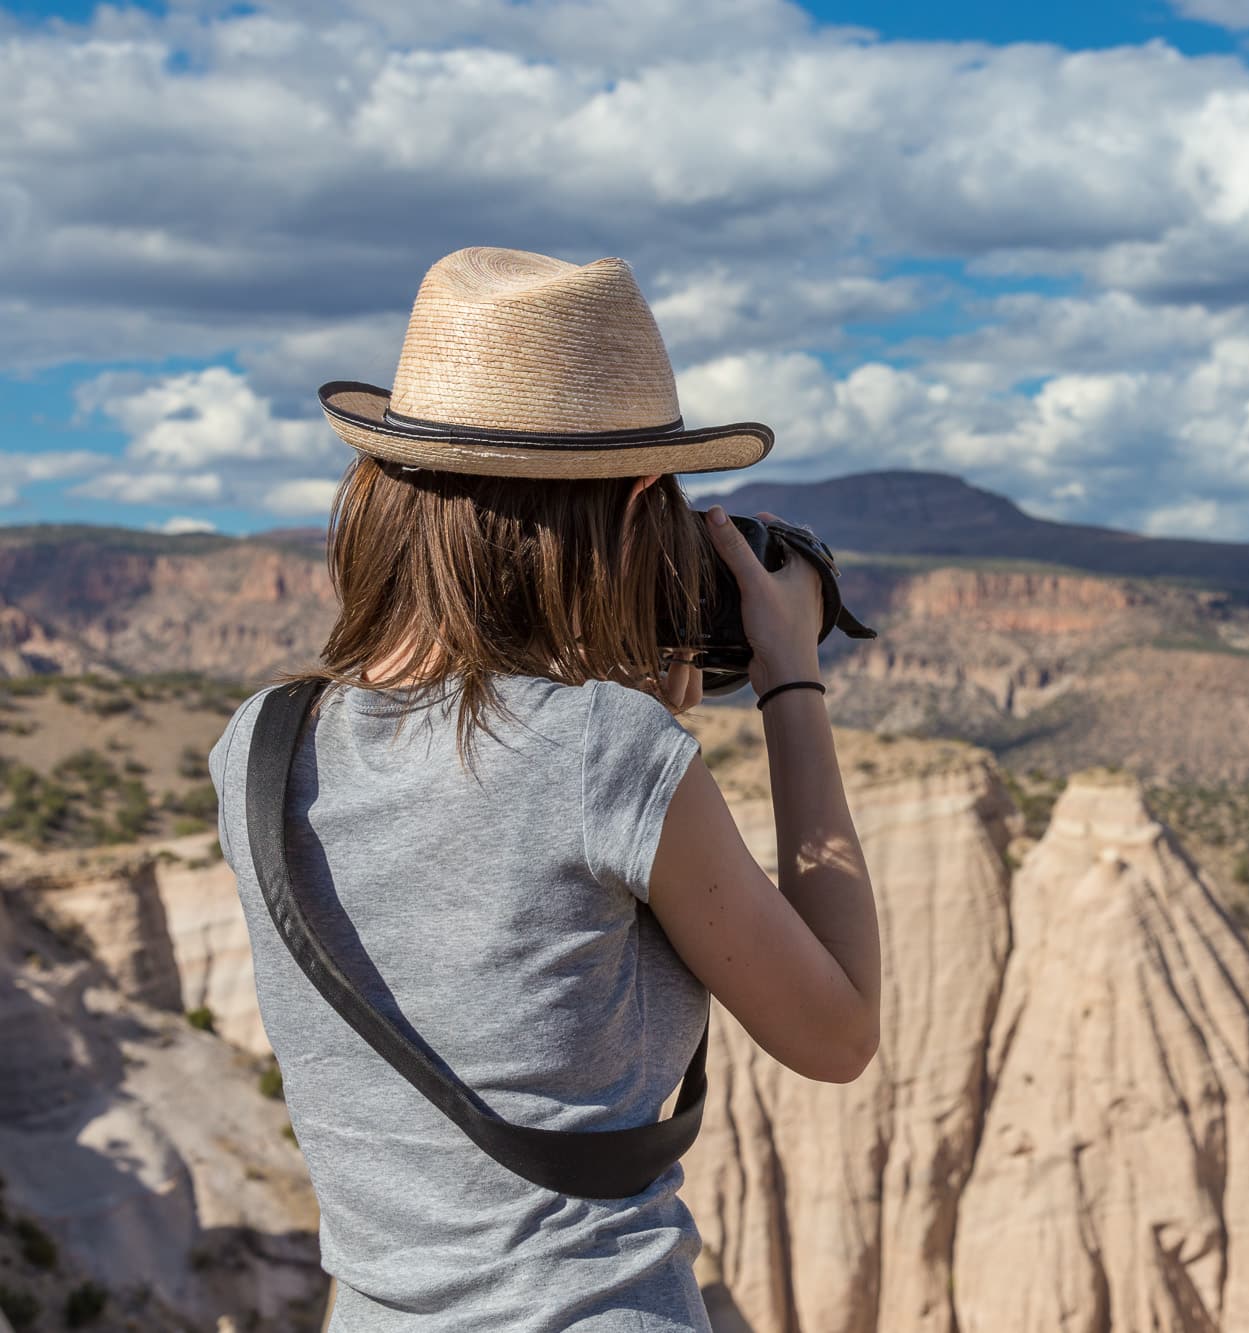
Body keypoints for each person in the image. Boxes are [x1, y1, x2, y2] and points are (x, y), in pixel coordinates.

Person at [207, 247, 881, 1332]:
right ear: (636, 505)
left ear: (390, 489)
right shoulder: (601, 755)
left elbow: (485, 879)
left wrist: (628, 736)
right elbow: (837, 1033)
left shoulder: (259, 744)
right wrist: (787, 672)